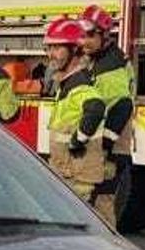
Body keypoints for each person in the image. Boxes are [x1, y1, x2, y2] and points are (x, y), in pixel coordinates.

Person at [42, 16, 110, 218]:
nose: (51, 55)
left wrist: (78, 140)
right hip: (67, 173)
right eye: (49, 48)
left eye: (57, 48)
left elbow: (96, 107)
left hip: (76, 177)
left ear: (75, 51)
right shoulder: (67, 82)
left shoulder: (78, 84)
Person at [79, 4, 136, 221]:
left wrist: (103, 148)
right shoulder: (102, 60)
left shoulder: (109, 67)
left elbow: (121, 107)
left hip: (109, 150)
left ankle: (103, 249)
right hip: (108, 147)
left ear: (105, 35)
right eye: (82, 35)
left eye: (91, 35)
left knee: (101, 205)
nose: (85, 41)